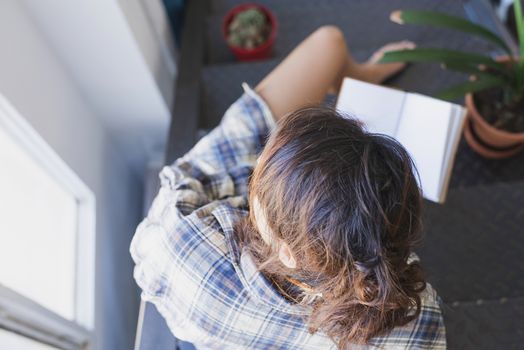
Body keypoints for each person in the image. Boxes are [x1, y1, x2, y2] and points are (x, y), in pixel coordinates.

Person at [131, 26, 446, 349]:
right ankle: (362, 76)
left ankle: (361, 76)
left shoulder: (182, 244)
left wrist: (271, 177)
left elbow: (180, 183)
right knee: (330, 43)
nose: (258, 174)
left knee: (328, 42)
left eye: (260, 181)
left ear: (287, 252)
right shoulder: (417, 327)